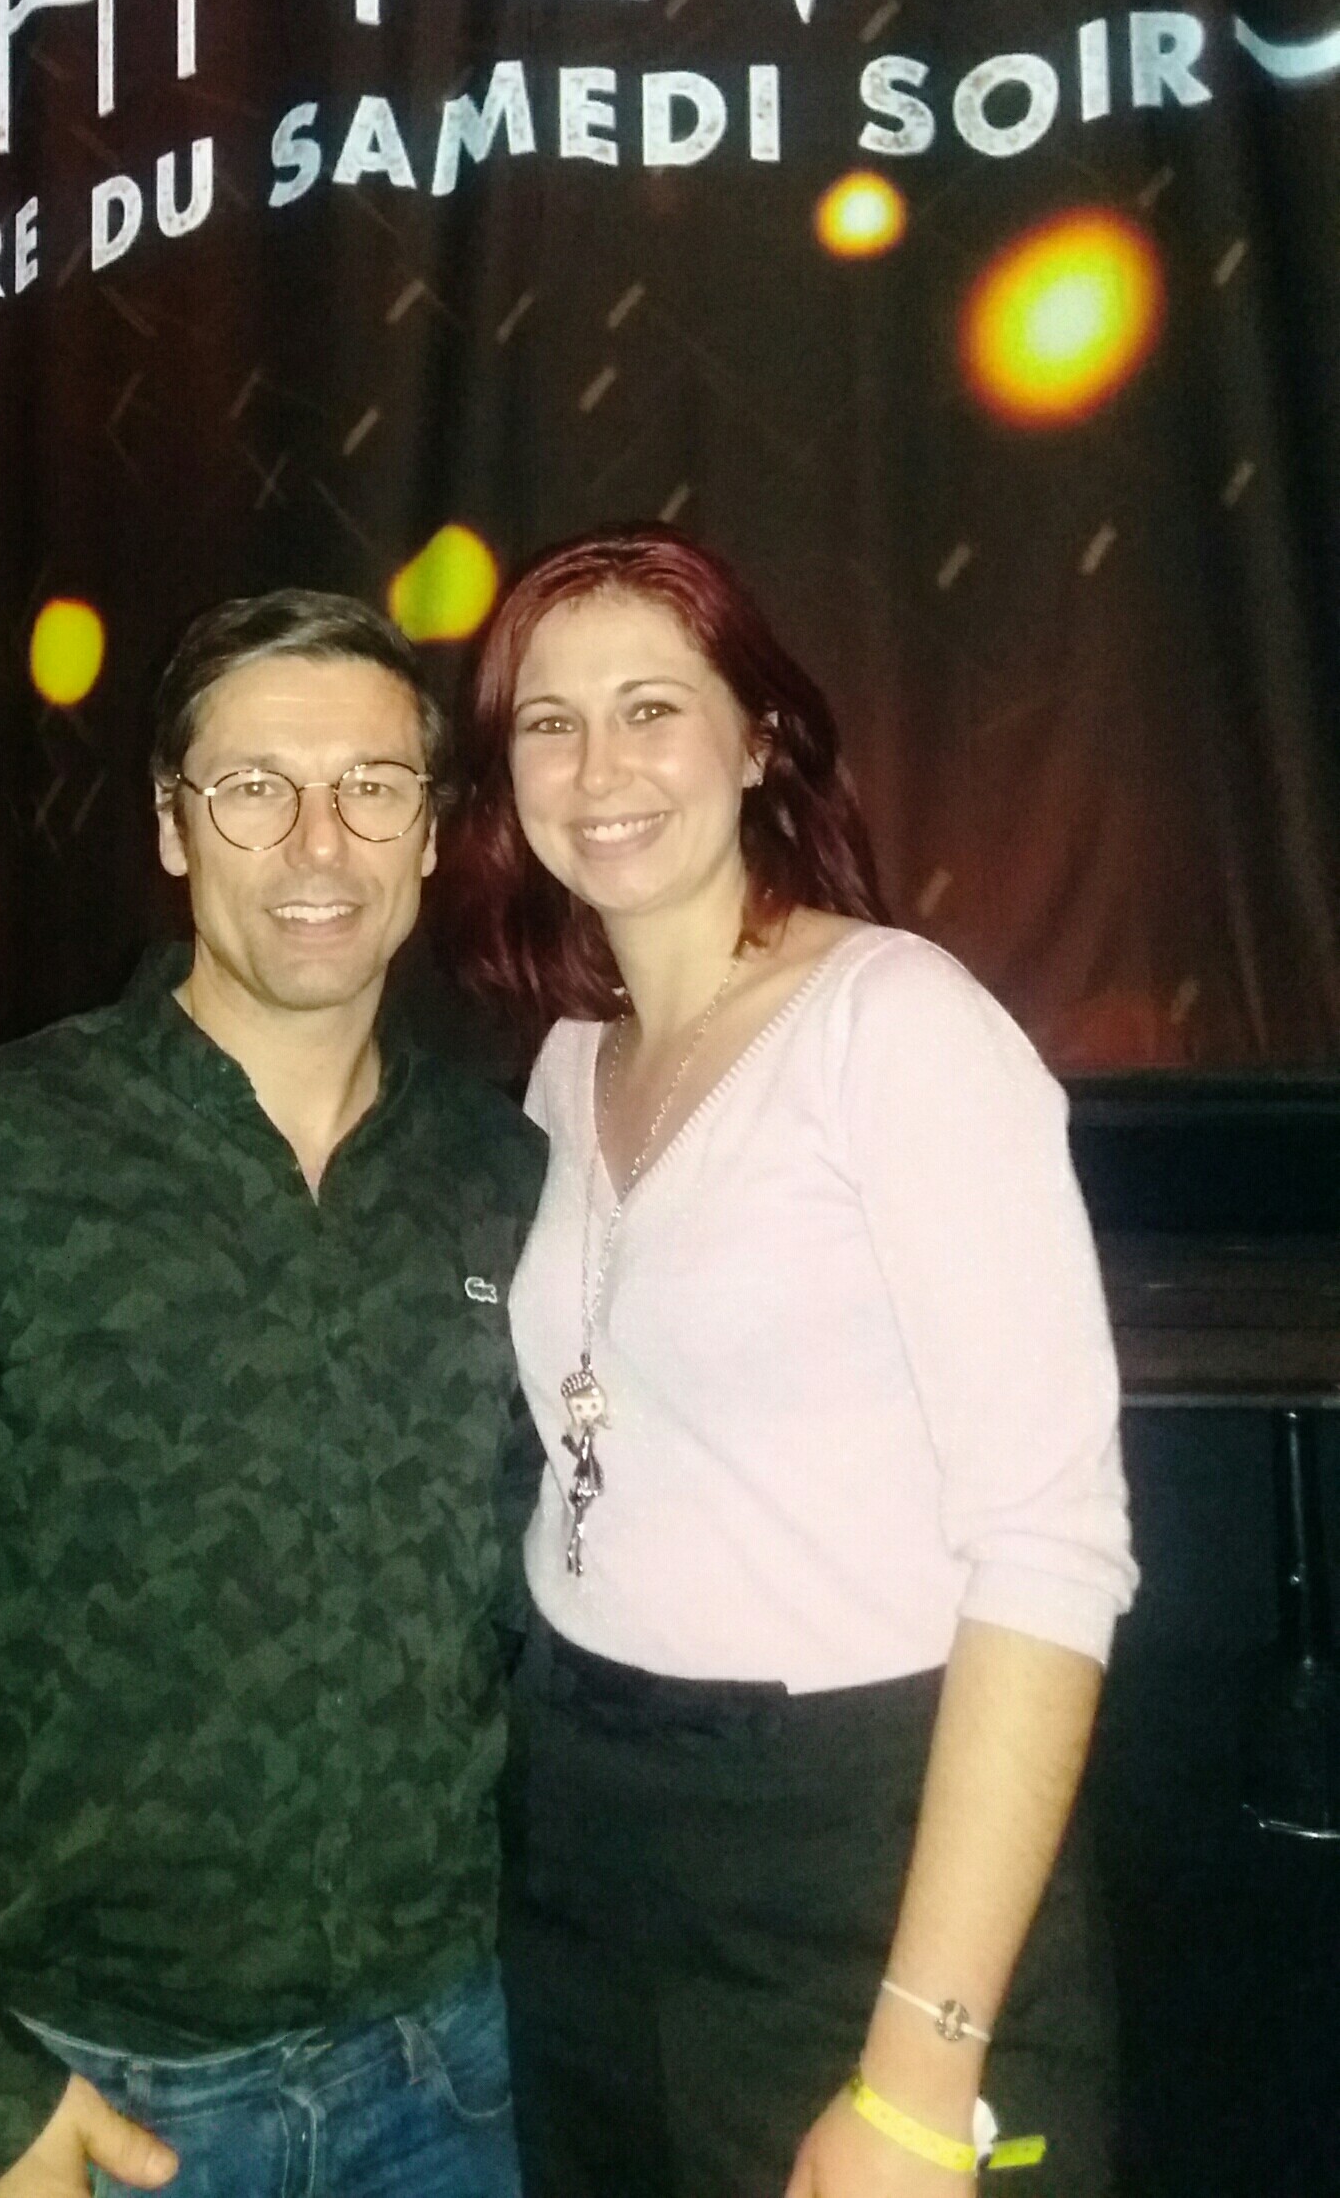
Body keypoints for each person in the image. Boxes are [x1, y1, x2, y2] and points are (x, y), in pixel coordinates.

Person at [0, 588, 545, 2198]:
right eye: (254, 788)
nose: (317, 840)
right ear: (173, 827)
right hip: (82, 2099)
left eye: (370, 786)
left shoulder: (506, 1174)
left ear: (430, 831)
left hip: (453, 2090)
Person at [436, 527, 1137, 2198]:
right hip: (589, 1839)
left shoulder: (893, 1024)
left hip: (857, 1850)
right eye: (549, 723)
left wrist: (920, 2069)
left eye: (650, 708)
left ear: (756, 740)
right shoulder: (568, 1062)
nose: (598, 768)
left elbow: (1050, 1550)